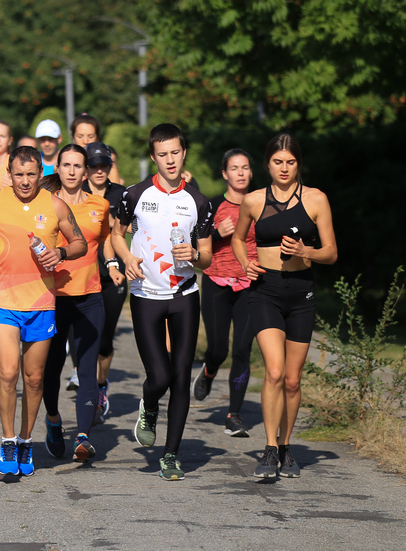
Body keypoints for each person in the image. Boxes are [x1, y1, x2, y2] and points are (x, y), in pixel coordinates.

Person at [0, 146, 87, 476]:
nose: (24, 181)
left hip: (41, 302)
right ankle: (7, 439)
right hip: (1, 297)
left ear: (40, 173)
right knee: (7, 373)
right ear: (9, 173)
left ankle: (25, 440)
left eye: (31, 174)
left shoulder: (55, 204)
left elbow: (81, 244)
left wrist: (59, 251)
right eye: (18, 174)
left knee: (33, 379)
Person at [111, 123, 213, 481]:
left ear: (184, 153)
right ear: (153, 157)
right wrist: (126, 258)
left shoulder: (199, 202)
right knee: (160, 375)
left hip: (184, 294)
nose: (170, 160)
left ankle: (171, 455)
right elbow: (116, 234)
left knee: (181, 377)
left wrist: (195, 256)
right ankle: (149, 404)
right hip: (145, 295)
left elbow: (208, 258)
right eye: (162, 154)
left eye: (175, 153)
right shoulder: (134, 194)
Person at [232, 134, 337, 478]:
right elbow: (237, 237)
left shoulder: (316, 199)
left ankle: (287, 445)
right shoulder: (253, 200)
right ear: (268, 164)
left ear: (298, 164)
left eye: (290, 162)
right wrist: (244, 263)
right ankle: (269, 448)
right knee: (274, 371)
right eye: (278, 162)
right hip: (265, 291)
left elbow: (331, 253)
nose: (284, 168)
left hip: (301, 295)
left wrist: (305, 251)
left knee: (292, 380)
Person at [39, 145, 110, 462]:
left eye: (77, 165)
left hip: (90, 297)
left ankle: (82, 436)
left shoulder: (101, 205)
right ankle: (53, 420)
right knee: (50, 370)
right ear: (58, 168)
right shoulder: (43, 205)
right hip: (51, 299)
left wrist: (116, 267)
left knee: (86, 368)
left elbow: (104, 242)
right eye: (65, 165)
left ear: (85, 171)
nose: (71, 171)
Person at [191, 149, 257, 438]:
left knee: (243, 349)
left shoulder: (261, 204)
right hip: (217, 281)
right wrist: (217, 232)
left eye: (245, 168)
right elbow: (194, 241)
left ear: (251, 173)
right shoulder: (213, 204)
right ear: (224, 174)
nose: (240, 173)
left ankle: (235, 415)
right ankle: (208, 371)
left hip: (251, 284)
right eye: (234, 168)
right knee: (218, 349)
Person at [82, 142, 127, 424]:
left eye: (104, 165)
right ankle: (87, 388)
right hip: (83, 273)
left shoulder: (121, 194)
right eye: (94, 165)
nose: (99, 170)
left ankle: (100, 386)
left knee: (105, 340)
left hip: (113, 274)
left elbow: (132, 227)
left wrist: (116, 224)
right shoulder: (76, 193)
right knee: (84, 339)